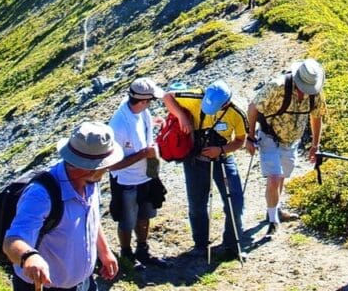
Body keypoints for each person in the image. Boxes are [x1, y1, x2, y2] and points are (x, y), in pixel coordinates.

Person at [3, 121, 123, 291]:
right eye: (105, 162)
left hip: (83, 284)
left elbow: (90, 219)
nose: (108, 167)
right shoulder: (41, 194)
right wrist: (29, 256)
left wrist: (104, 251)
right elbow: (12, 239)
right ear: (86, 166)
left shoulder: (90, 183)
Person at [163, 80, 248, 259]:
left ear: (226, 103)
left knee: (235, 202)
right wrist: (181, 115)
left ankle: (232, 245)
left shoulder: (237, 113)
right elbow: (167, 96)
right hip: (195, 160)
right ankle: (201, 245)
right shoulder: (194, 96)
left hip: (223, 160)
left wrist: (221, 150)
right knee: (197, 204)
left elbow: (240, 140)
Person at [245, 59, 325, 236]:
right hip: (269, 136)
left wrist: (315, 145)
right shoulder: (276, 86)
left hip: (292, 140)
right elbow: (252, 108)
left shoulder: (316, 93)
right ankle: (273, 221)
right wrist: (250, 137)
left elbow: (317, 116)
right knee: (274, 178)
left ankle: (275, 209)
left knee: (281, 177)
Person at [107, 78, 169, 269]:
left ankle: (142, 249)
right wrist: (144, 154)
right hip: (126, 180)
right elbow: (113, 165)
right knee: (127, 218)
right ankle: (126, 253)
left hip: (146, 176)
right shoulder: (118, 126)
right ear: (142, 101)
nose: (151, 104)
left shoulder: (142, 112)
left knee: (145, 214)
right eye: (150, 101)